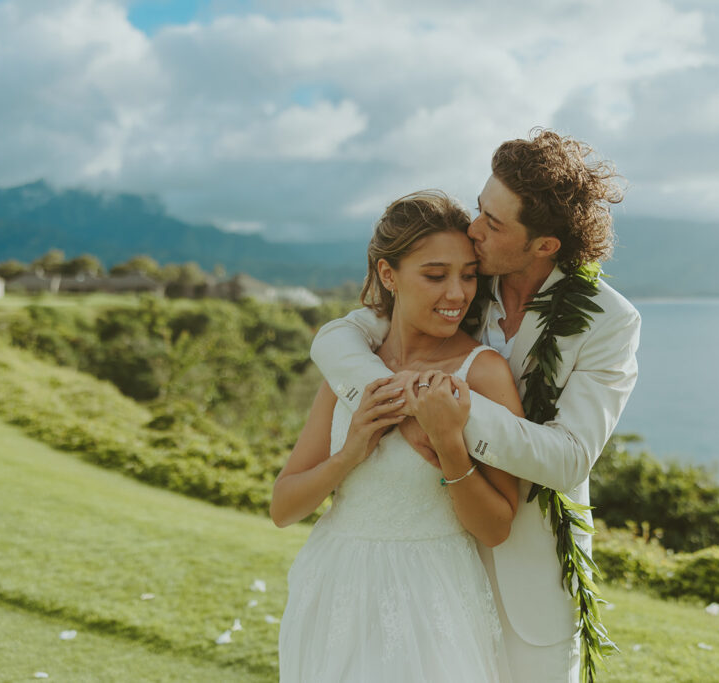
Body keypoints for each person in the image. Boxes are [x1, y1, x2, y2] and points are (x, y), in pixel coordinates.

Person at [310, 129, 642, 682]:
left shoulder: (611, 321)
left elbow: (568, 459)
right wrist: (407, 402)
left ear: (544, 246)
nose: (474, 228)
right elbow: (340, 338)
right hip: (425, 560)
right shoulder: (463, 277)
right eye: (480, 207)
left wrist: (450, 419)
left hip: (526, 579)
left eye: (494, 222)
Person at [272, 190, 524, 682]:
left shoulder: (483, 373)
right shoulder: (350, 372)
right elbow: (284, 507)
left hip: (431, 602)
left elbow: (496, 527)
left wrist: (450, 446)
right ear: (389, 275)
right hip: (333, 590)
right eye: (435, 275)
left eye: (469, 276)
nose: (457, 294)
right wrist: (349, 455)